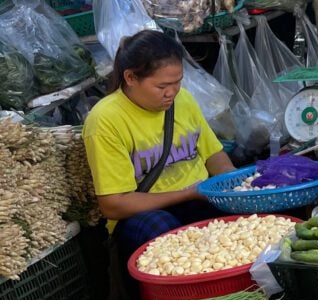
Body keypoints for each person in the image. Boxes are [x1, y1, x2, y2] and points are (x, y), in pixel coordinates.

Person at [83, 30, 236, 258]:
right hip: (144, 214)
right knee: (166, 234)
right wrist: (189, 193)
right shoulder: (105, 120)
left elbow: (213, 155)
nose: (172, 93)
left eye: (177, 82)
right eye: (162, 86)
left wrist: (235, 185)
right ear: (131, 78)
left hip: (197, 197)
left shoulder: (183, 100)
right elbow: (113, 205)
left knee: (242, 221)